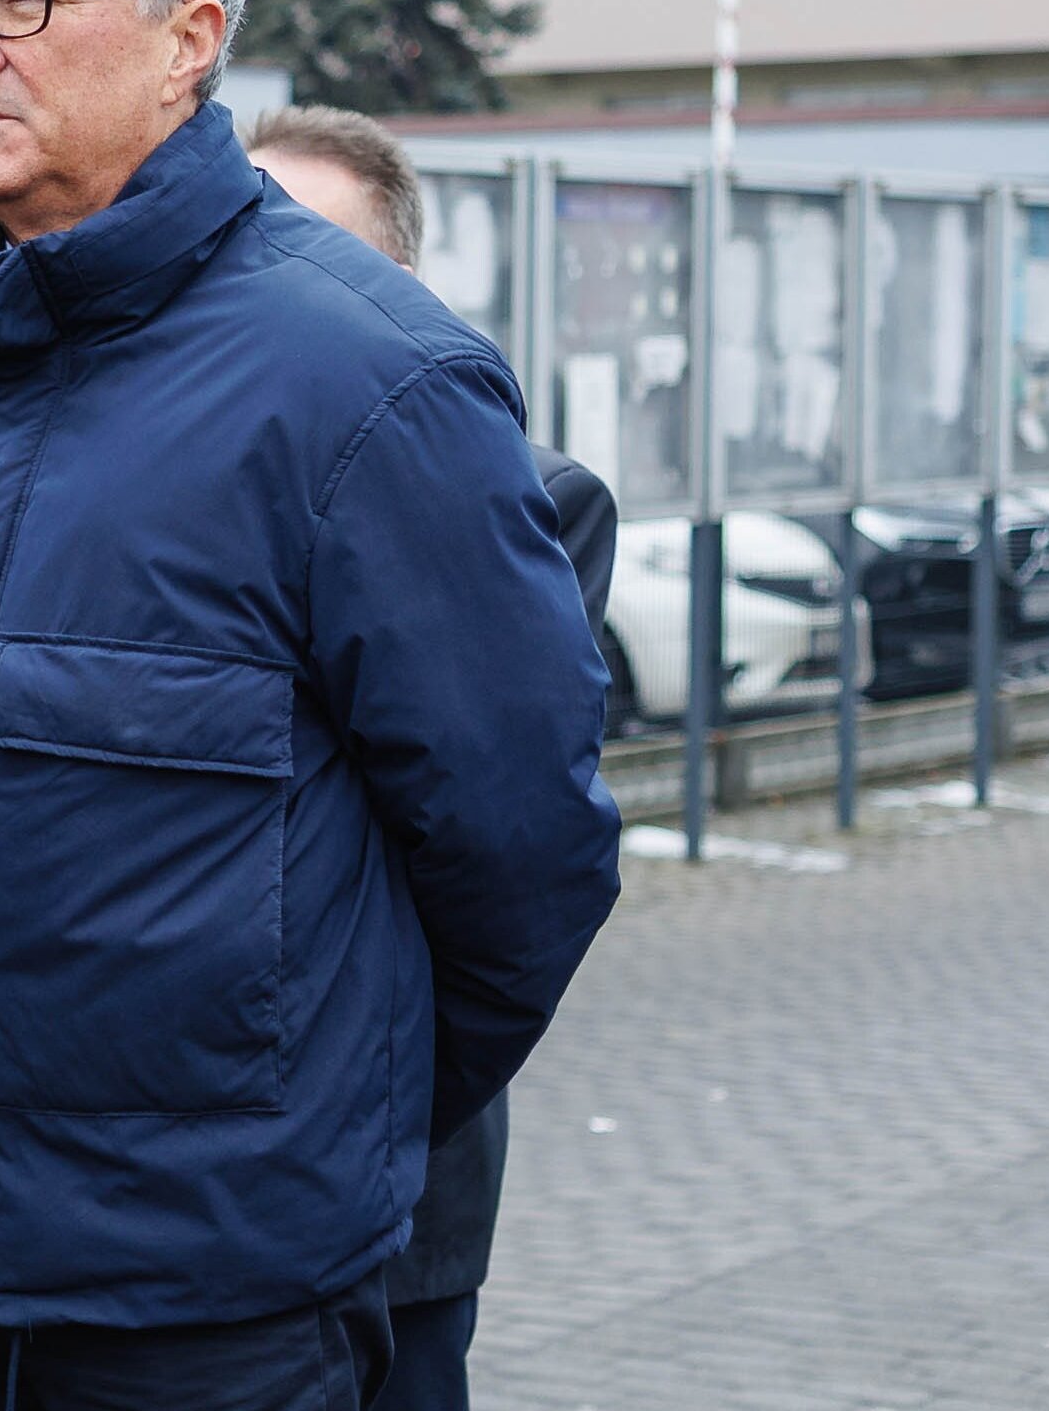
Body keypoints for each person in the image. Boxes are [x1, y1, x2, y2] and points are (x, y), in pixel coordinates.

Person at [0, 0, 619, 1411]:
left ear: (191, 41)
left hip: (213, 1310)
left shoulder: (371, 382)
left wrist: (316, 1121)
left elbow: (522, 851)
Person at [243, 102, 616, 1411]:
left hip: (393, 1181)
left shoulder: (526, 490)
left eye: (308, 248)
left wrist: (384, 1087)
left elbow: (514, 853)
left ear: (395, 286)